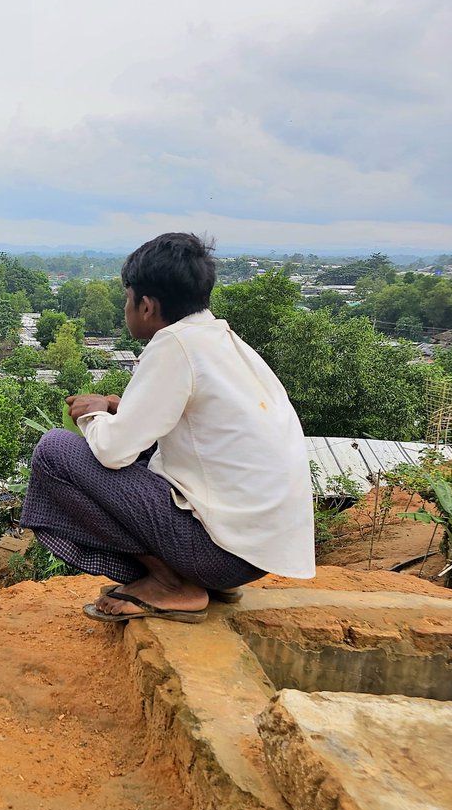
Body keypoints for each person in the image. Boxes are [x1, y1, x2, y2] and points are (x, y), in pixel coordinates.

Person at [20, 233, 314, 623]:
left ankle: (173, 584)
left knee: (55, 451)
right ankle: (196, 578)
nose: (126, 307)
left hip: (217, 556)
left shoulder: (174, 344)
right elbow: (193, 421)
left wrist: (91, 416)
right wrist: (113, 405)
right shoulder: (220, 340)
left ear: (147, 305)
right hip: (254, 557)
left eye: (128, 299)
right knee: (142, 450)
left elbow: (112, 450)